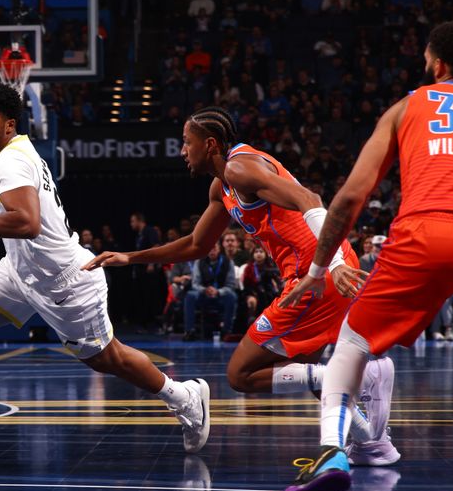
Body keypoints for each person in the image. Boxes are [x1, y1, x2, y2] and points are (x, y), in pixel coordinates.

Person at [0, 83, 210, 453]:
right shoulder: (13, 151)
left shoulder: (10, 161)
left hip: (65, 282)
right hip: (18, 272)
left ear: (8, 124)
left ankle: (184, 397)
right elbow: (13, 213)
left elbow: (26, 222)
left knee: (108, 358)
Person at [83, 106, 396, 461]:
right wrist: (130, 257)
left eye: (187, 143)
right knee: (304, 372)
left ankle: (356, 375)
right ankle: (374, 443)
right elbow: (196, 245)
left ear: (210, 144)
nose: (182, 151)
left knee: (241, 374)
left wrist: (334, 265)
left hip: (316, 275)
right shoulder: (222, 187)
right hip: (319, 274)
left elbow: (310, 200)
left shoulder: (240, 167)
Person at [274, 21, 453, 491]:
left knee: (351, 347)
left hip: (422, 231)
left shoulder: (405, 108)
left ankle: (334, 455)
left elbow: (350, 198)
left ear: (436, 64)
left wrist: (317, 270)